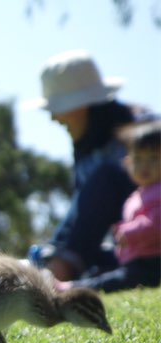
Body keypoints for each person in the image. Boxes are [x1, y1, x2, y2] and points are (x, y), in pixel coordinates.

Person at [26, 49, 138, 281]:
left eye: (57, 109)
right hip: (126, 251)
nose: (53, 118)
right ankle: (56, 265)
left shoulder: (145, 136)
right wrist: (55, 248)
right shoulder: (87, 148)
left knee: (107, 177)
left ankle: (58, 272)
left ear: (83, 105)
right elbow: (80, 212)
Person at [56, 120, 160, 293]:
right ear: (127, 163)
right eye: (138, 159)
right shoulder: (138, 195)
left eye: (154, 158)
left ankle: (72, 288)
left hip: (152, 263)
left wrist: (129, 232)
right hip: (135, 258)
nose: (145, 166)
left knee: (120, 280)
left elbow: (157, 223)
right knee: (100, 265)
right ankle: (79, 280)